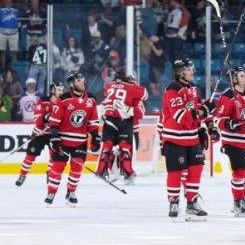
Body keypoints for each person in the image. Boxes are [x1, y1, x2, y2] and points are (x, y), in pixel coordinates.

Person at [160, 58, 218, 221]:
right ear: (180, 72)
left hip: (192, 138)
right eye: (189, 69)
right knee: (176, 172)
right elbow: (181, 117)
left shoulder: (193, 88)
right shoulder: (172, 89)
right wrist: (203, 111)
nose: (193, 71)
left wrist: (209, 127)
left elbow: (198, 109)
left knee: (197, 168)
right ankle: (174, 201)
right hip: (174, 138)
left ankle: (192, 203)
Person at [46, 72, 100, 206]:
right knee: (57, 167)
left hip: (80, 141)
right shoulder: (64, 99)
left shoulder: (91, 100)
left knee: (76, 169)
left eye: (82, 80)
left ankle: (71, 192)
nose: (82, 82)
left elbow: (93, 121)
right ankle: (51, 191)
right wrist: (54, 138)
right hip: (63, 141)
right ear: (72, 84)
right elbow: (54, 121)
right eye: (78, 81)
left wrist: (95, 138)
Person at [216, 66, 245, 217]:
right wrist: (230, 123)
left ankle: (243, 198)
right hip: (232, 141)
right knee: (241, 171)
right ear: (234, 80)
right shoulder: (228, 95)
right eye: (242, 76)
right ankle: (237, 202)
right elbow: (219, 120)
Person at [97, 70, 147, 183]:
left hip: (121, 124)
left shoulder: (111, 87)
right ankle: (120, 173)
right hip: (124, 124)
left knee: (114, 148)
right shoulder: (132, 91)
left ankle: (113, 172)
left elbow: (140, 114)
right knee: (121, 150)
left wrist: (128, 110)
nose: (133, 83)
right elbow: (140, 112)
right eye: (131, 81)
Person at [16, 81, 63, 187]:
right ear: (53, 91)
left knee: (54, 156)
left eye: (62, 89)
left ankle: (50, 174)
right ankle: (22, 175)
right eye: (59, 89)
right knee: (30, 156)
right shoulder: (42, 101)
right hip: (39, 133)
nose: (61, 91)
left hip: (53, 133)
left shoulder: (63, 103)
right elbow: (37, 119)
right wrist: (47, 117)